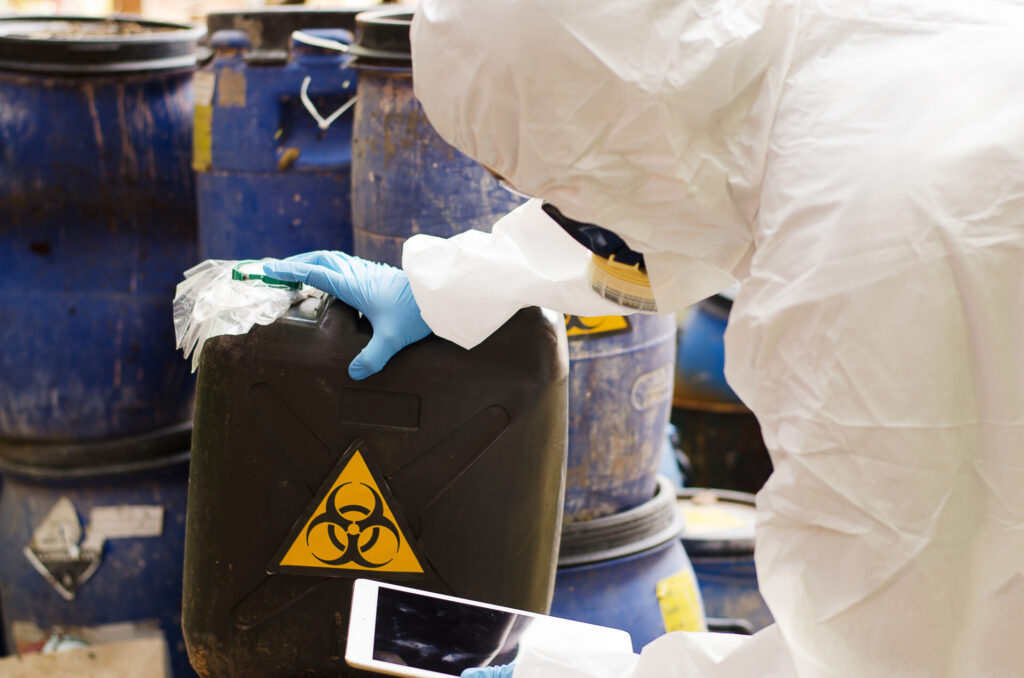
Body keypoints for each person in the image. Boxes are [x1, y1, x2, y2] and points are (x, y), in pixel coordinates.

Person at [265, 0, 1024, 675]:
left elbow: (886, 652)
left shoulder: (861, 265)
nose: (575, 209)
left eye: (564, 185)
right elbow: (677, 174)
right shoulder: (814, 43)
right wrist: (447, 285)